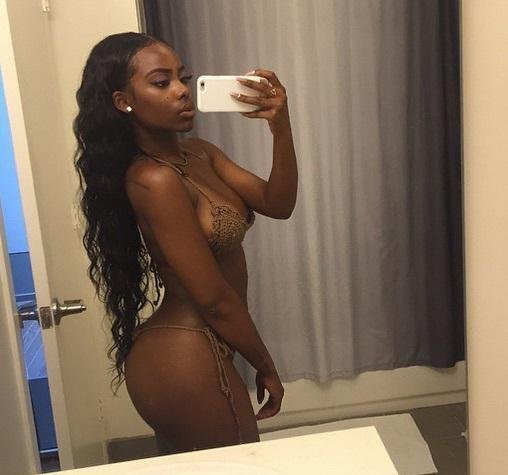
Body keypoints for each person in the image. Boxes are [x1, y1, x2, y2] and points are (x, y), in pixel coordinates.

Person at [73, 32, 298, 454]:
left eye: (183, 78)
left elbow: (278, 203)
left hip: (203, 343)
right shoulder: (153, 179)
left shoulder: (199, 154)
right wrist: (266, 365)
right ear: (124, 101)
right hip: (184, 349)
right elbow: (213, 298)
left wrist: (280, 128)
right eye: (162, 82)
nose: (181, 91)